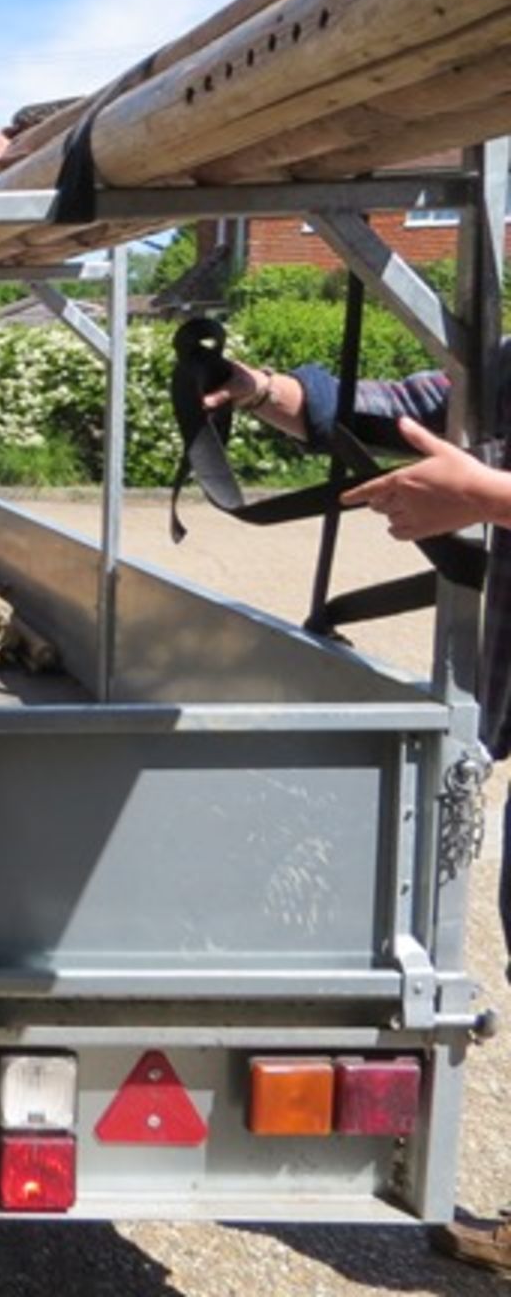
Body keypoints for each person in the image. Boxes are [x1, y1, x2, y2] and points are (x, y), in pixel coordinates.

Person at [206, 353, 510, 1273]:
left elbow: (475, 482)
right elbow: (373, 408)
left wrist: (490, 496)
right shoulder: (500, 370)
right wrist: (263, 392)